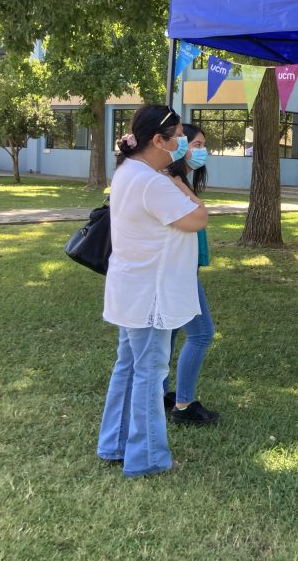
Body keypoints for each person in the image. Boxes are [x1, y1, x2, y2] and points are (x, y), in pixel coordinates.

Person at [97, 105, 208, 477]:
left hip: (133, 288)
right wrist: (182, 185)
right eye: (177, 136)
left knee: (128, 367)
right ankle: (145, 458)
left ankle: (114, 444)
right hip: (149, 294)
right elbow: (198, 219)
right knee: (149, 372)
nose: (182, 142)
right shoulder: (153, 182)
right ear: (158, 141)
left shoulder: (129, 171)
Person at [163, 124, 219, 426]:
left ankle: (162, 395)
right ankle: (183, 405)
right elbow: (199, 214)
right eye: (195, 144)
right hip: (177, 270)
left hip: (181, 267)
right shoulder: (171, 180)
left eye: (203, 145)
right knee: (201, 333)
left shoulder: (179, 179)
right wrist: (180, 183)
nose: (201, 150)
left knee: (170, 332)